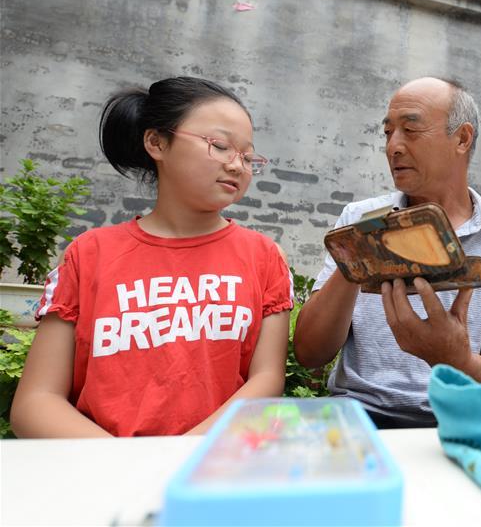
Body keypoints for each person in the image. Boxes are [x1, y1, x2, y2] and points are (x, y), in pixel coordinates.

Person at [10, 77, 293, 437]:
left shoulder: (263, 257)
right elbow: (36, 401)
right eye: (220, 146)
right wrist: (131, 466)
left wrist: (182, 456)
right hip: (107, 477)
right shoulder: (89, 254)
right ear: (157, 142)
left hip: (213, 474)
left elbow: (266, 381)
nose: (237, 165)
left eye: (248, 156)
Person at [294, 77, 481, 428]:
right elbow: (310, 352)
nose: (394, 147)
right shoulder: (359, 221)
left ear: (462, 139)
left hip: (452, 419)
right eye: (388, 133)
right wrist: (358, 257)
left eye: (410, 130)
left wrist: (456, 359)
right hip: (356, 416)